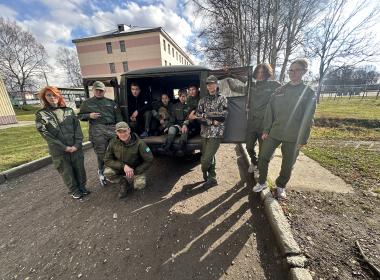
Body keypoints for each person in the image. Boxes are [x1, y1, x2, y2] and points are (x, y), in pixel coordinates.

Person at [254, 58, 316, 199]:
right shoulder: (280, 90)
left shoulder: (308, 93)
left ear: (304, 72)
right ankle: (262, 181)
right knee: (263, 157)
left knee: (288, 163)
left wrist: (303, 139)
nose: (293, 73)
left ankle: (281, 185)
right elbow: (270, 111)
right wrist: (266, 130)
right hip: (275, 131)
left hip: (294, 135)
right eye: (291, 70)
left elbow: (308, 118)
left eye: (297, 70)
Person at [35, 86, 89, 199]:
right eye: (48, 95)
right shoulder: (41, 114)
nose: (52, 97)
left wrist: (77, 144)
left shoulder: (68, 111)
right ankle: (74, 190)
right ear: (44, 98)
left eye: (54, 94)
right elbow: (45, 134)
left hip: (75, 148)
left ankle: (82, 187)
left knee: (79, 168)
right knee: (66, 171)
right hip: (59, 150)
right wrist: (64, 147)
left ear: (58, 95)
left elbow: (77, 129)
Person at [227, 64, 281, 174]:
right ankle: (254, 161)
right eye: (258, 72)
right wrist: (228, 76)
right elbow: (236, 88)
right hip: (252, 122)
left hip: (265, 124)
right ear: (255, 73)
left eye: (263, 72)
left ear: (267, 74)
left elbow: (284, 98)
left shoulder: (274, 85)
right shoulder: (252, 86)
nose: (260, 75)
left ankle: (261, 169)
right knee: (249, 146)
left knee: (263, 151)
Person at [78, 81, 123, 186]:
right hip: (97, 128)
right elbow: (80, 116)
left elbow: (119, 117)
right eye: (97, 90)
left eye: (101, 90)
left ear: (104, 90)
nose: (99, 91)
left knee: (116, 150)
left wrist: (120, 128)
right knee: (101, 153)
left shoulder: (111, 103)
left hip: (112, 128)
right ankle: (102, 172)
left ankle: (114, 171)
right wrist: (89, 116)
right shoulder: (87, 103)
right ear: (93, 90)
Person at [191, 75, 228, 188]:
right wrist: (212, 120)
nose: (210, 86)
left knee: (206, 160)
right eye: (208, 84)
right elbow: (198, 117)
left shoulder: (222, 99)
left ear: (216, 85)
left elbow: (223, 115)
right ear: (206, 87)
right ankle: (212, 177)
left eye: (212, 83)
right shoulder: (203, 100)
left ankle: (204, 169)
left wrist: (205, 115)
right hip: (205, 132)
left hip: (216, 133)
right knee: (209, 155)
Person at [103, 122, 154, 198]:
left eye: (124, 131)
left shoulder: (140, 143)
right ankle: (123, 183)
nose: (123, 134)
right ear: (116, 133)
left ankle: (135, 179)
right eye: (119, 132)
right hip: (121, 167)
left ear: (129, 130)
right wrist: (123, 166)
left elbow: (149, 159)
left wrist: (136, 171)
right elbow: (107, 159)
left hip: (136, 169)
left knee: (139, 185)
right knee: (107, 172)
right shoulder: (113, 142)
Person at [160, 89, 190, 155]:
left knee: (184, 131)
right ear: (178, 97)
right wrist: (168, 126)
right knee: (171, 128)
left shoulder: (190, 106)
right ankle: (167, 147)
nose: (182, 98)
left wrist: (186, 124)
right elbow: (172, 119)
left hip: (187, 125)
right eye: (180, 96)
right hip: (178, 125)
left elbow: (190, 118)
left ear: (187, 96)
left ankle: (181, 148)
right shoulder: (175, 106)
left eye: (184, 96)